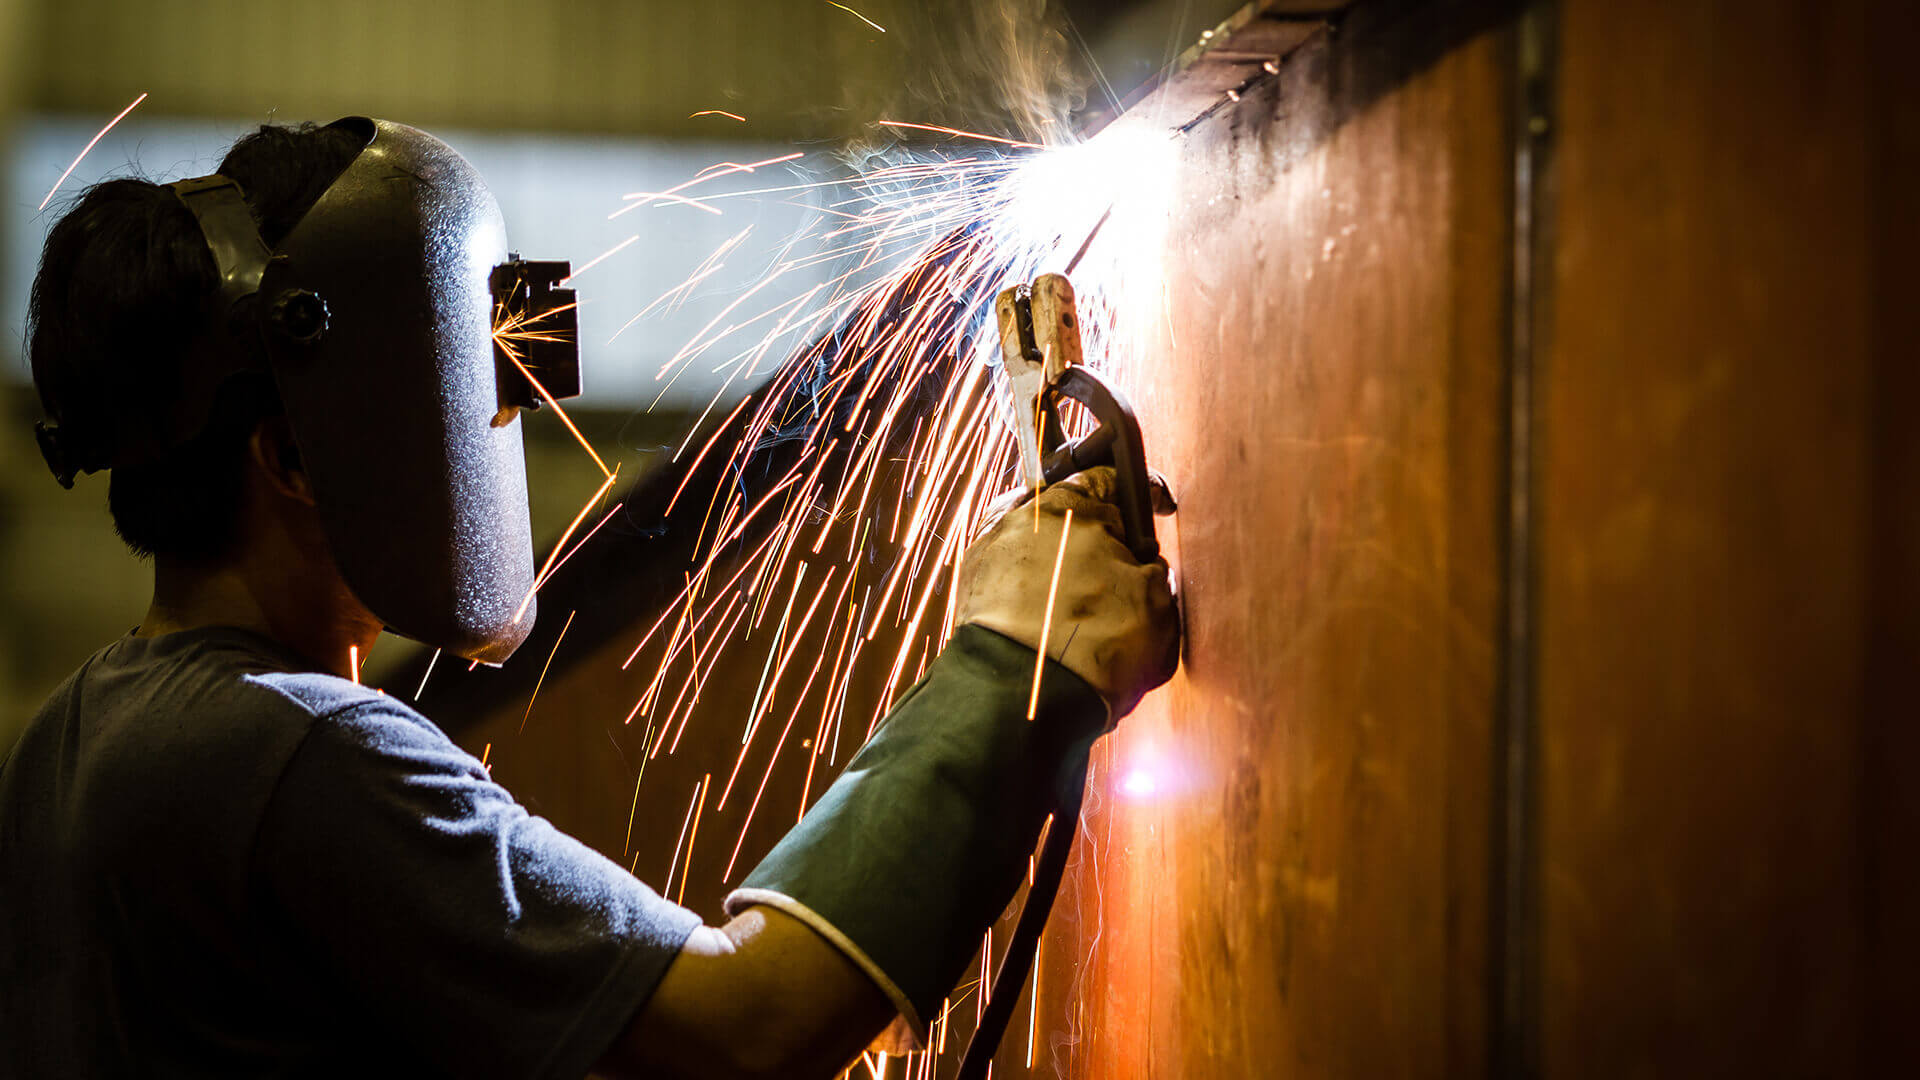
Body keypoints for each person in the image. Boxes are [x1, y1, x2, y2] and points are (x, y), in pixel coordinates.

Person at [0, 118, 1179, 1078]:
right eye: (457, 384)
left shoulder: (74, 743)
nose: (494, 418)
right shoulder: (299, 756)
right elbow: (743, 1027)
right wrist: (1013, 658)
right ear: (294, 461)